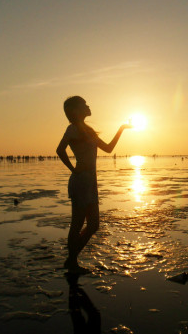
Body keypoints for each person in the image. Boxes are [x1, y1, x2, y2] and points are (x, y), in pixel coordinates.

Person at [56, 96, 131, 274]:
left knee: (94, 224)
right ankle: (72, 262)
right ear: (75, 110)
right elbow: (60, 150)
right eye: (84, 104)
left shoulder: (88, 130)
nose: (88, 106)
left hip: (90, 182)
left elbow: (108, 148)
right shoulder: (73, 129)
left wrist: (121, 129)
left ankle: (71, 259)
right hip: (81, 181)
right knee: (77, 224)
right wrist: (73, 170)